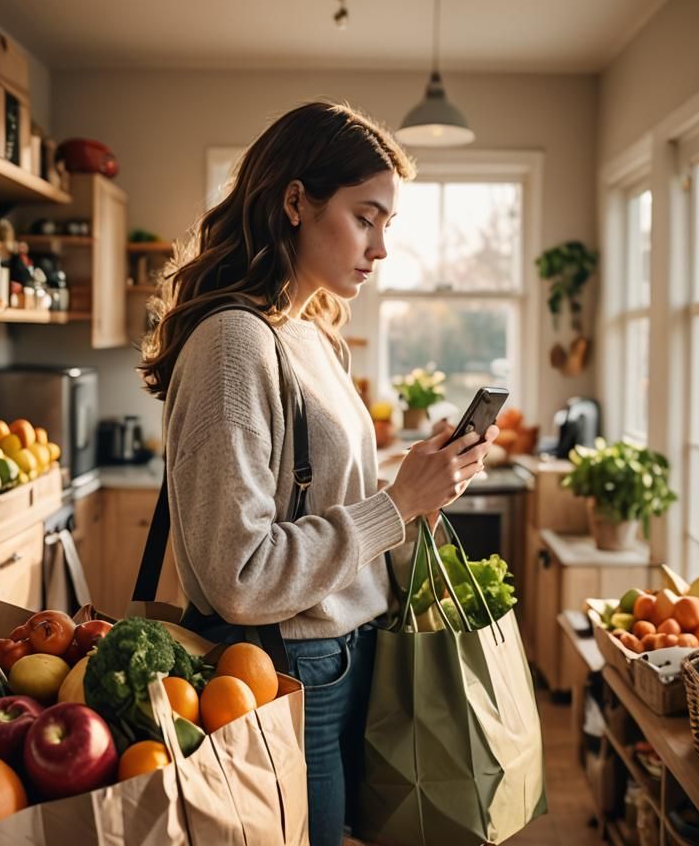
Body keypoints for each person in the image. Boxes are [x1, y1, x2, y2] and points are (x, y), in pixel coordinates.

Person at [138, 101, 498, 846]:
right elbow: (239, 574)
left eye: (387, 225)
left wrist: (418, 491)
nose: (381, 248)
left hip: (344, 654)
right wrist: (395, 505)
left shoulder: (314, 336)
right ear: (295, 202)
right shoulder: (235, 344)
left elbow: (334, 506)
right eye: (365, 217)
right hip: (287, 670)